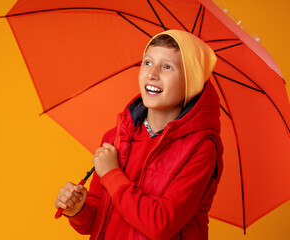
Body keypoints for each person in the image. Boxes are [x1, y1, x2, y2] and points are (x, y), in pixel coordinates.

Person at [54, 29, 224, 240]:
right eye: (147, 62)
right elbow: (98, 222)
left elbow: (161, 224)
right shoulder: (115, 137)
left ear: (192, 82)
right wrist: (78, 210)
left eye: (167, 67)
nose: (152, 74)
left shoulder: (201, 148)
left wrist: (111, 174)